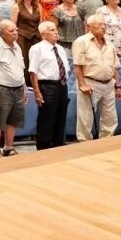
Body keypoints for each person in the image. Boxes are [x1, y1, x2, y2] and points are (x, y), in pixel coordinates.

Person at [72, 14, 121, 141]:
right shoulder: (81, 42)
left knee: (110, 117)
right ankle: (85, 143)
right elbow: (77, 67)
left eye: (104, 24)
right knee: (86, 116)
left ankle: (107, 142)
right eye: (100, 24)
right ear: (90, 27)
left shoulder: (109, 43)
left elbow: (114, 66)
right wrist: (82, 84)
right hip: (90, 82)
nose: (103, 27)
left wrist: (118, 85)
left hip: (109, 83)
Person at [0, 20, 26, 159]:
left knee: (13, 120)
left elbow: (21, 69)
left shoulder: (17, 46)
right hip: (1, 88)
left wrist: (24, 89)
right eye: (11, 31)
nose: (15, 33)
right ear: (2, 33)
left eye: (16, 30)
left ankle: (9, 147)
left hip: (18, 88)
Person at [29, 21, 71, 150]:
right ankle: (44, 146)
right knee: (47, 118)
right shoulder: (37, 48)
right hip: (47, 86)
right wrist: (37, 92)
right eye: (52, 30)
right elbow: (33, 72)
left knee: (61, 116)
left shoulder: (60, 48)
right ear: (43, 34)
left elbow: (65, 68)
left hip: (62, 85)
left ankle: (58, 145)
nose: (56, 32)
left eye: (55, 29)